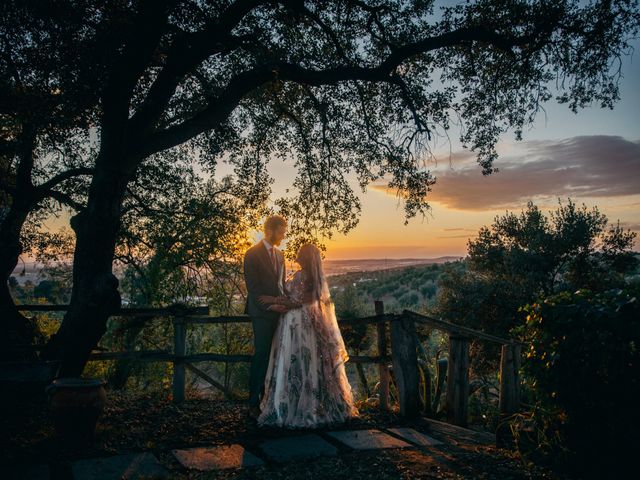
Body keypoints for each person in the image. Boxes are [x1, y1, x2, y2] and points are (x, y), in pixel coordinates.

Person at [256, 243, 359, 428]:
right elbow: (307, 299)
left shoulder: (301, 276)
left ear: (302, 257)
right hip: (312, 321)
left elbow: (295, 301)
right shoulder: (316, 278)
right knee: (312, 362)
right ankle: (318, 405)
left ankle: (294, 405)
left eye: (299, 254)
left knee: (294, 361)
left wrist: (273, 300)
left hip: (295, 323)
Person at [243, 215, 287, 420]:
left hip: (280, 313)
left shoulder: (280, 255)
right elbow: (254, 290)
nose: (284, 234)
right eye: (281, 230)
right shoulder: (251, 254)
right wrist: (273, 306)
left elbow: (281, 286)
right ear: (270, 230)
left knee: (276, 356)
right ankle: (253, 402)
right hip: (261, 314)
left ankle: (270, 400)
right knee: (261, 355)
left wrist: (288, 303)